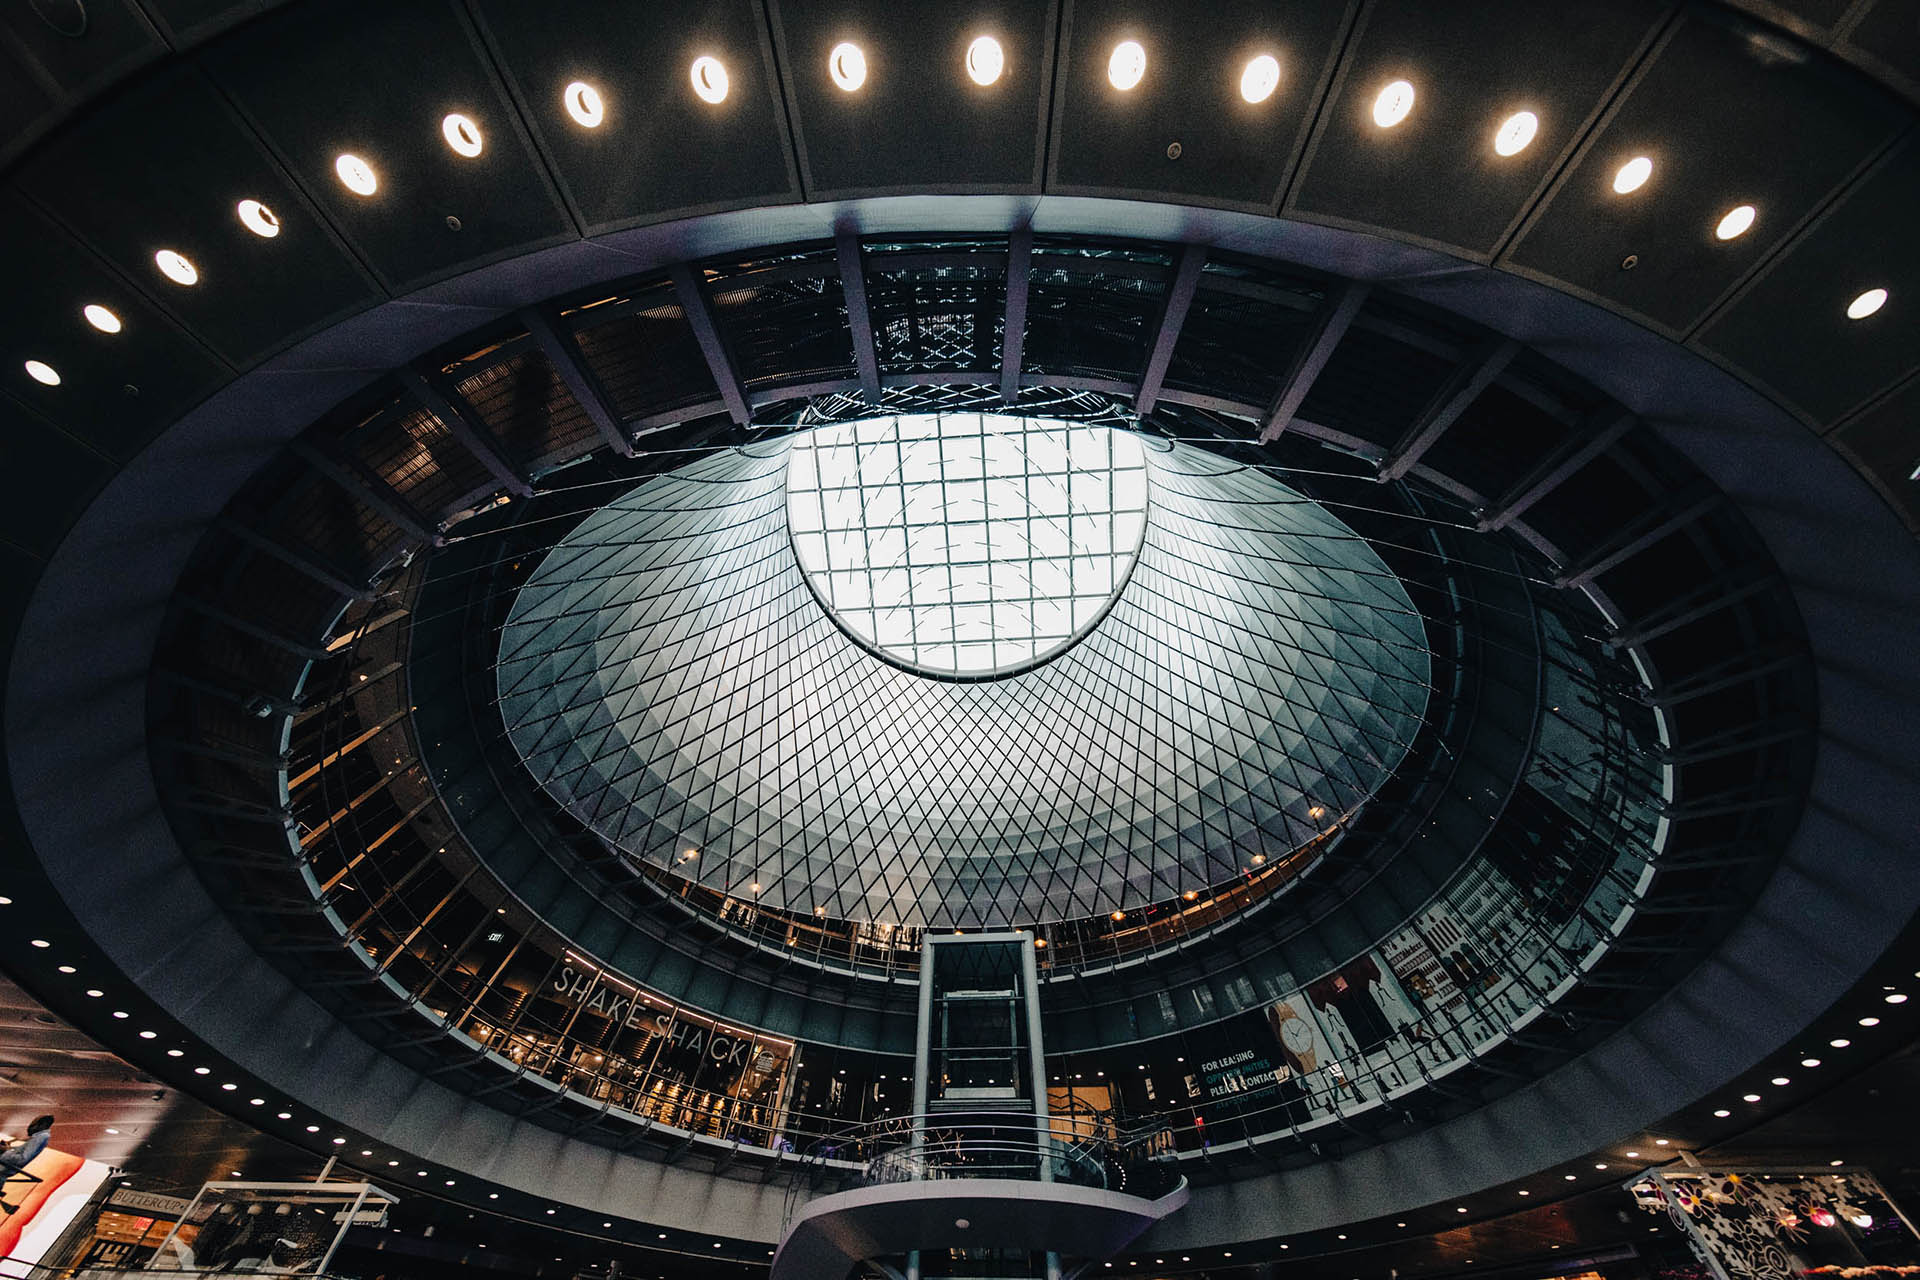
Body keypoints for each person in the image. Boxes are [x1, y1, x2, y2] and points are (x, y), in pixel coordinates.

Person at [0, 1115, 55, 1214]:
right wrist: (7, 1148)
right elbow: (20, 1152)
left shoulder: (41, 1138)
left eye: (33, 1124)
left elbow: (23, 1159)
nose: (30, 1127)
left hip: (6, 1167)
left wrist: (6, 1150)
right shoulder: (38, 1137)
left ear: (42, 1125)